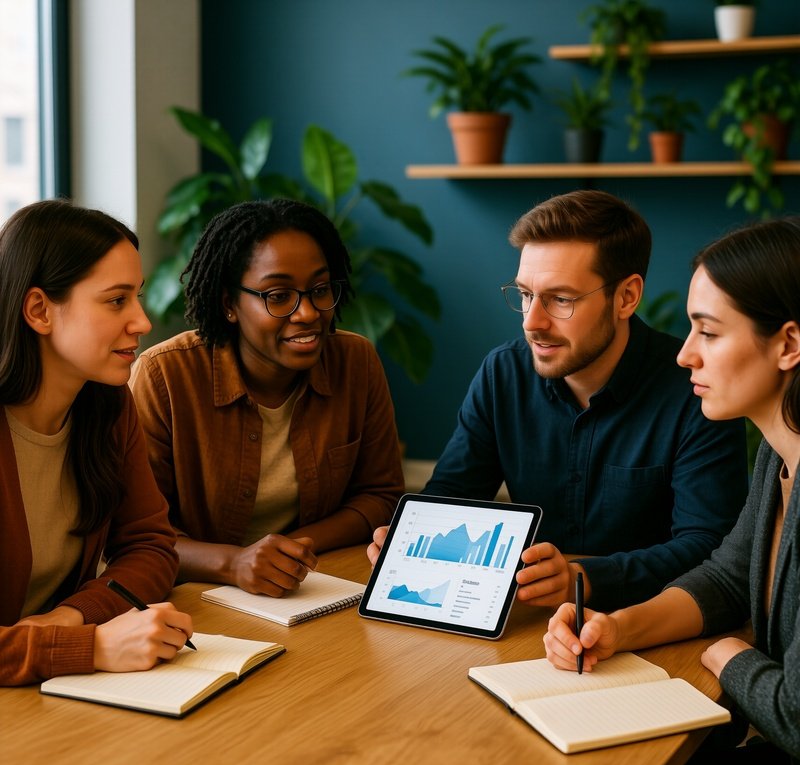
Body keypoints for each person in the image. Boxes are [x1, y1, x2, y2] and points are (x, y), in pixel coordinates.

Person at [368, 190, 748, 611]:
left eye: (560, 299)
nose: (532, 322)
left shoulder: (695, 389)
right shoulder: (503, 375)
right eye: (526, 294)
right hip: (528, 617)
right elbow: (454, 496)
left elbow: (709, 545)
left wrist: (583, 579)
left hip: (653, 620)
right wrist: (409, 536)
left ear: (626, 297)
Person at [543, 216, 800, 765]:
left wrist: (730, 655)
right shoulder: (776, 459)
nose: (684, 355)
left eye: (708, 333)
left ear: (787, 344)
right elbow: (728, 579)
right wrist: (615, 628)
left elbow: (796, 713)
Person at [130, 199, 404, 597]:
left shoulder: (356, 362)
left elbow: (380, 496)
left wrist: (294, 549)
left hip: (317, 585)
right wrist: (234, 563)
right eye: (278, 296)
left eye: (320, 290)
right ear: (229, 305)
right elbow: (137, 535)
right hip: (197, 600)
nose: (308, 312)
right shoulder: (164, 376)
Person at [0, 199, 192, 687]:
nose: (143, 322)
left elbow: (151, 547)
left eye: (139, 296)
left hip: (47, 695)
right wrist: (92, 645)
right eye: (116, 300)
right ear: (39, 310)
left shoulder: (107, 407)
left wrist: (71, 616)